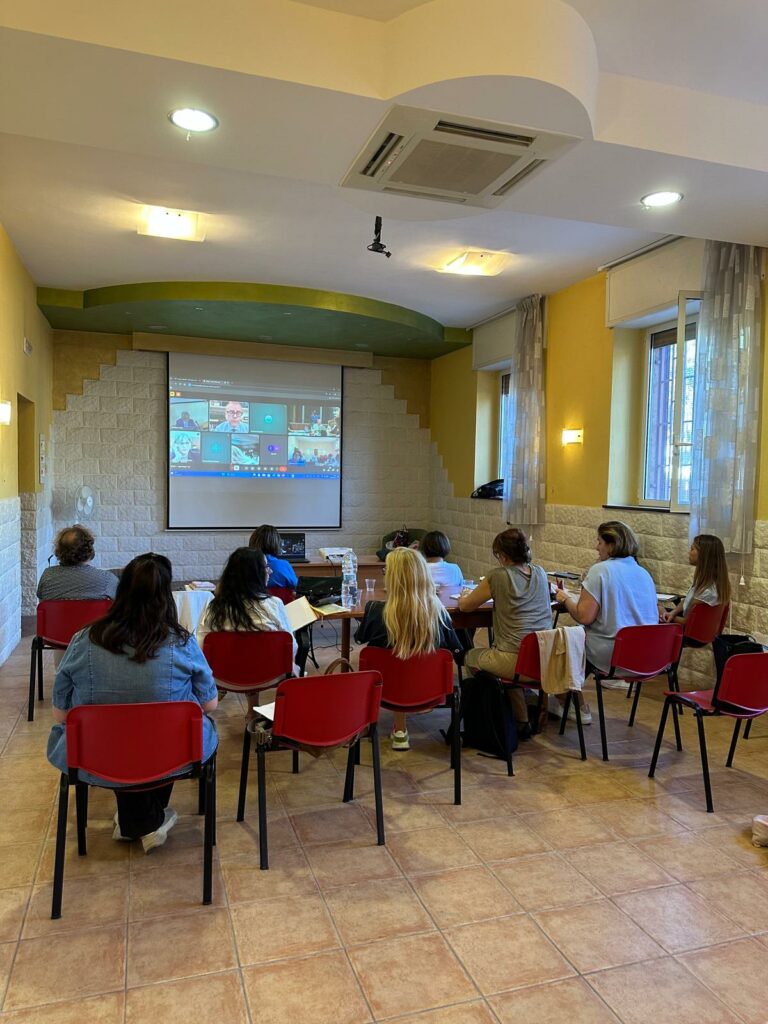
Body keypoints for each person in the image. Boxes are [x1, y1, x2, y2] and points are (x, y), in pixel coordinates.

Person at [47, 553, 218, 853]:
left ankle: (137, 819)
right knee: (168, 729)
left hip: (96, 755)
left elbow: (60, 713)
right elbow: (210, 705)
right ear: (167, 597)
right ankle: (144, 821)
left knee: (126, 734)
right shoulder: (181, 643)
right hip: (171, 753)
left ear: (121, 590)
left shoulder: (83, 639)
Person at [355, 547, 461, 750]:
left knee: (393, 660)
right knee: (412, 660)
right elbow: (456, 651)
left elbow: (360, 638)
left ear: (393, 578)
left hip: (385, 690)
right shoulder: (439, 614)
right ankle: (401, 728)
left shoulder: (376, 611)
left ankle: (399, 729)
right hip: (429, 691)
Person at [458, 528, 555, 736]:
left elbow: (466, 607)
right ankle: (532, 712)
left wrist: (462, 596)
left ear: (502, 555)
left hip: (514, 662)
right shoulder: (540, 572)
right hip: (544, 660)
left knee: (469, 656)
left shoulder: (497, 576)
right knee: (514, 656)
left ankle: (517, 719)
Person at [554, 520, 658, 688]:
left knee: (564, 640)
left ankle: (568, 702)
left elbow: (584, 616)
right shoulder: (643, 572)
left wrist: (565, 598)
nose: (597, 547)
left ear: (611, 545)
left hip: (613, 653)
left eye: (599, 542)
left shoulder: (600, 570)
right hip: (647, 655)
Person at [196, 546, 299, 684]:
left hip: (222, 678)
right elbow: (291, 646)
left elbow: (200, 647)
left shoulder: (215, 607)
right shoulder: (274, 604)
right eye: (266, 567)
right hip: (269, 677)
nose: (270, 571)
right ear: (256, 574)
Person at [37, 525, 118, 602]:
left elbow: (42, 605)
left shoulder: (47, 576)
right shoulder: (108, 580)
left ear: (59, 551)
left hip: (58, 617)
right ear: (90, 551)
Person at [663, 534, 730, 624]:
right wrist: (672, 613)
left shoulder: (707, 591)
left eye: (692, 549)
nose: (689, 552)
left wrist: (662, 613)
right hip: (691, 626)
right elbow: (688, 600)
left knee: (655, 610)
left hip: (687, 633)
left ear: (703, 555)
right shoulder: (708, 582)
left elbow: (687, 622)